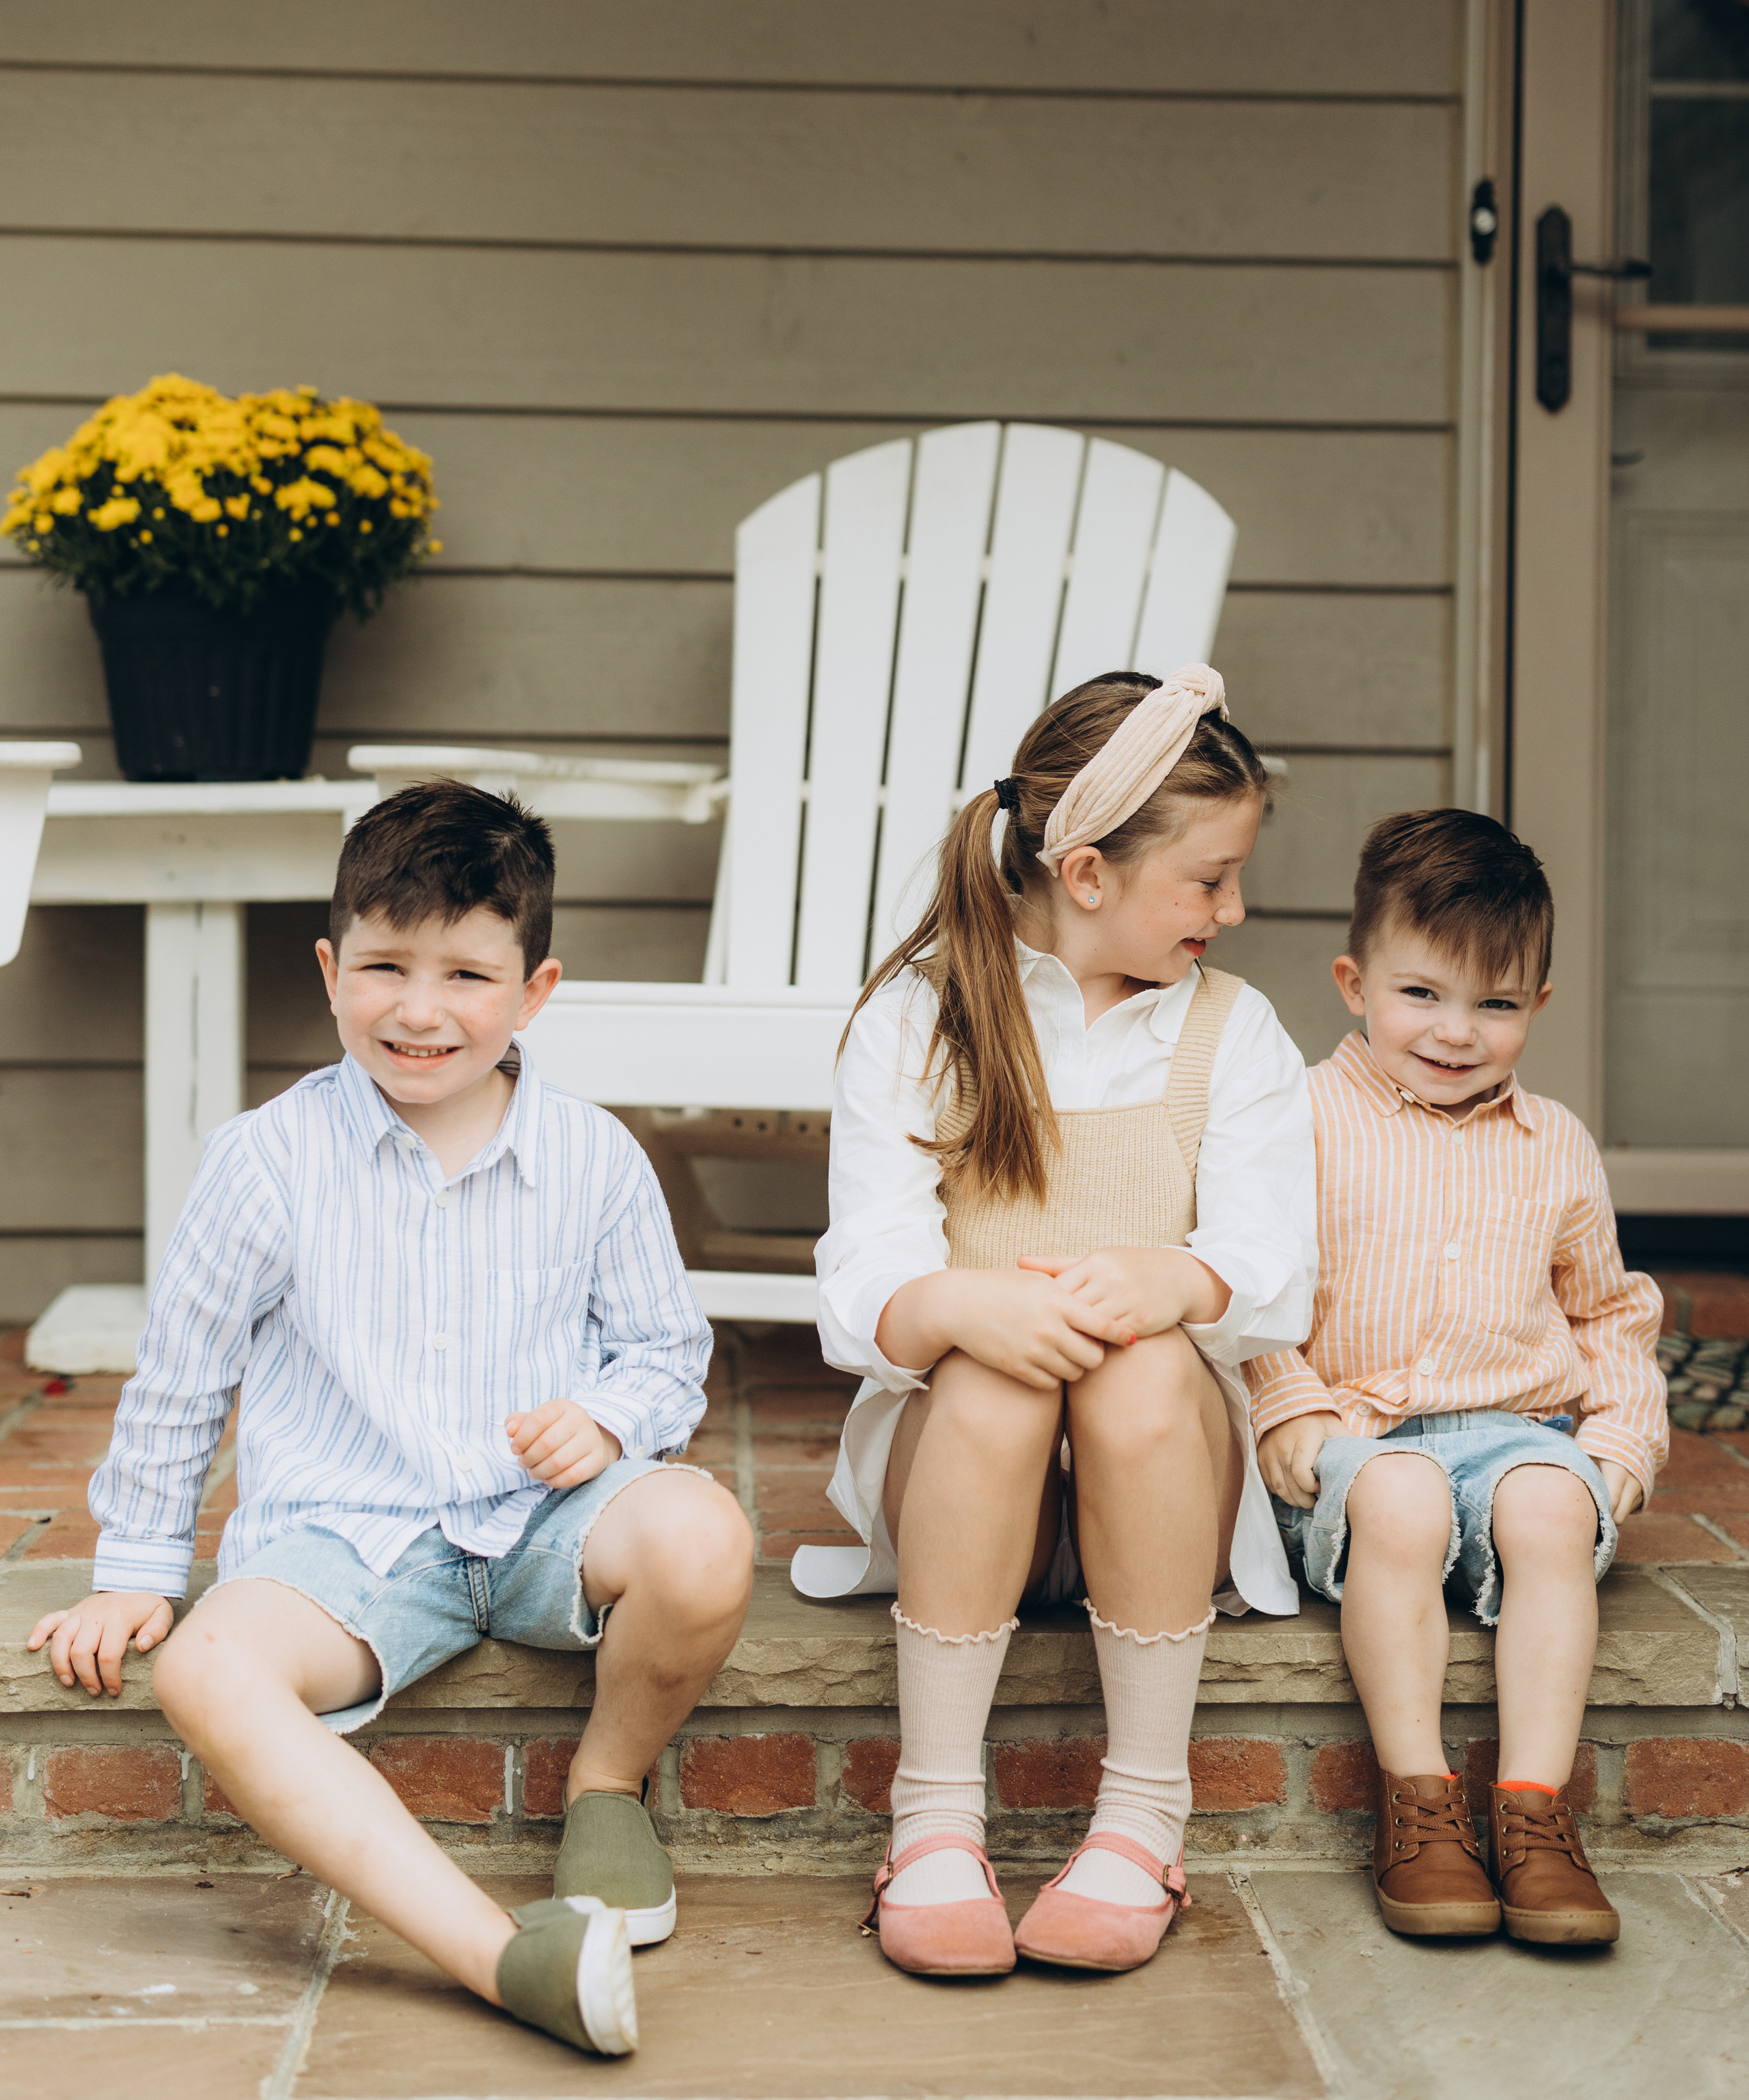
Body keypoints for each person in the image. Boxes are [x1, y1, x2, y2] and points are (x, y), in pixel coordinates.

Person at [29, 780, 754, 2058]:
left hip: (546, 1521)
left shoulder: (595, 1158)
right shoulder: (266, 1158)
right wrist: (135, 1569)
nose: (421, 1010)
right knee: (204, 1667)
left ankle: (604, 1785)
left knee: (702, 1532)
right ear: (329, 969)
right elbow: (181, 1373)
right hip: (343, 1545)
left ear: (536, 991)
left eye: (469, 974)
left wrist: (604, 1414)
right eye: (384, 965)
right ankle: (499, 1957)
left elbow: (665, 1353)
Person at [794, 666, 1317, 1979]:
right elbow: (865, 1277)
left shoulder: (1231, 1032)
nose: (1233, 909)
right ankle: (935, 1822)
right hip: (981, 1510)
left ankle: (1142, 1817)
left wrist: (1175, 1283)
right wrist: (960, 1301)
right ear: (1085, 873)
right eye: (1208, 879)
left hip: (1159, 1495)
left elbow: (1271, 1263)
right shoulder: (923, 1017)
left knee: (1138, 1371)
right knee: (989, 1375)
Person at [1246, 809, 1666, 1948]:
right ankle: (1421, 1804)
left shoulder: (1557, 1143)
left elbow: (1609, 1313)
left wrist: (1619, 1448)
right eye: (1422, 994)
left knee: (1547, 1501)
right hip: (1355, 1433)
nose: (1456, 1031)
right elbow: (1246, 1284)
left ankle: (1533, 1812)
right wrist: (1287, 1405)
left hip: (1511, 1423)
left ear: (1536, 1004)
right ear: (1353, 980)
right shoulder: (1296, 1119)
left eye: (1495, 1003)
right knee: (1403, 1496)